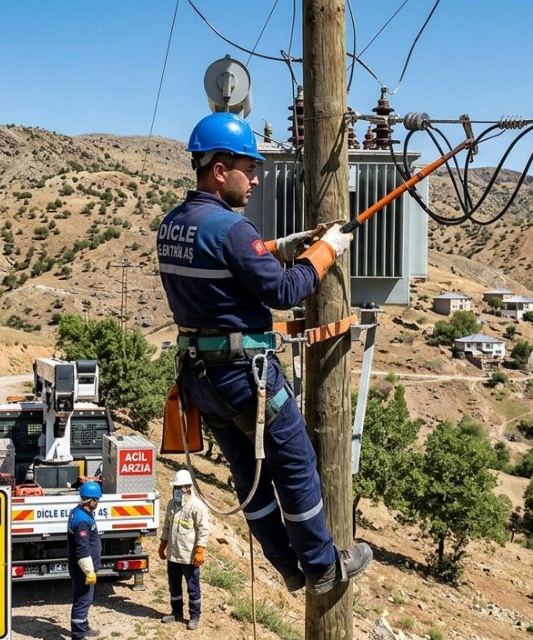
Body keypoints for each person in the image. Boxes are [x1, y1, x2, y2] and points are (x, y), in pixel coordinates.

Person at [156, 111, 372, 596]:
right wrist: (327, 250)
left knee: (249, 479)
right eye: (248, 168)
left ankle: (289, 569)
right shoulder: (232, 229)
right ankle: (320, 565)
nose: (255, 178)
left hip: (201, 379)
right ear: (219, 169)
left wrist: (273, 247)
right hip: (244, 377)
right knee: (296, 465)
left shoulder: (172, 226)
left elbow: (223, 267)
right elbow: (282, 290)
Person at [158, 469, 210, 630]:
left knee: (193, 587)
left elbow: (203, 530)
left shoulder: (196, 506)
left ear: (188, 488)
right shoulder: (171, 504)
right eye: (176, 487)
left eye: (180, 487)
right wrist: (163, 544)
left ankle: (194, 616)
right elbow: (167, 525)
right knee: (174, 585)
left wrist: (200, 550)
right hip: (173, 555)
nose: (177, 491)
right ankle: (176, 612)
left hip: (189, 556)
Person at [68, 480, 103, 639]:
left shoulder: (79, 512)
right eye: (97, 500)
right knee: (82, 600)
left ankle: (83, 626)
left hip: (82, 567)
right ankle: (78, 634)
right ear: (91, 500)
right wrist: (89, 571)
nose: (98, 503)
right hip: (82, 568)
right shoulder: (82, 520)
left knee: (84, 599)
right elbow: (82, 549)